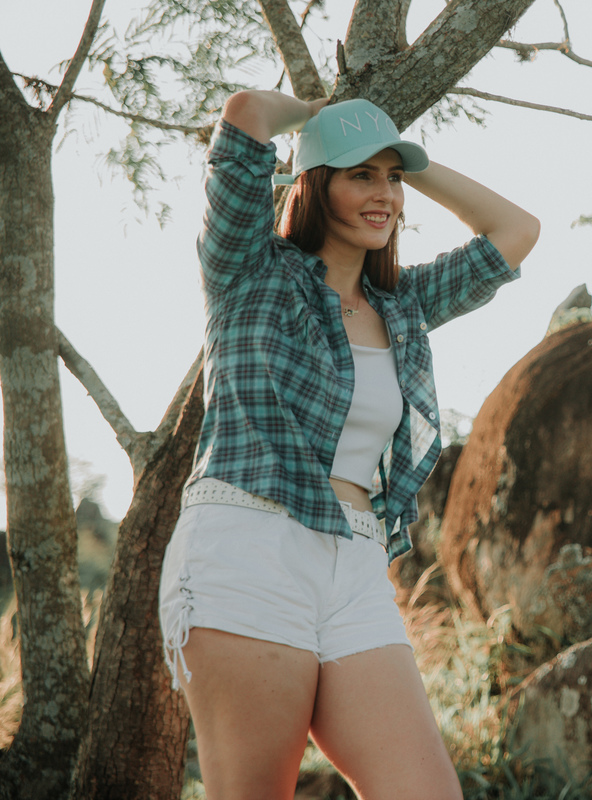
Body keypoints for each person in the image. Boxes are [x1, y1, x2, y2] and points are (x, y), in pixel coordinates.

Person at [157, 90, 539, 800]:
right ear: (314, 184)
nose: (384, 194)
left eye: (391, 179)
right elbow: (244, 114)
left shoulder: (404, 306)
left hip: (356, 564)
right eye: (360, 174)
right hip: (248, 546)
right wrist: (319, 117)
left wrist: (401, 156)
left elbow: (515, 230)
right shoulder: (250, 272)